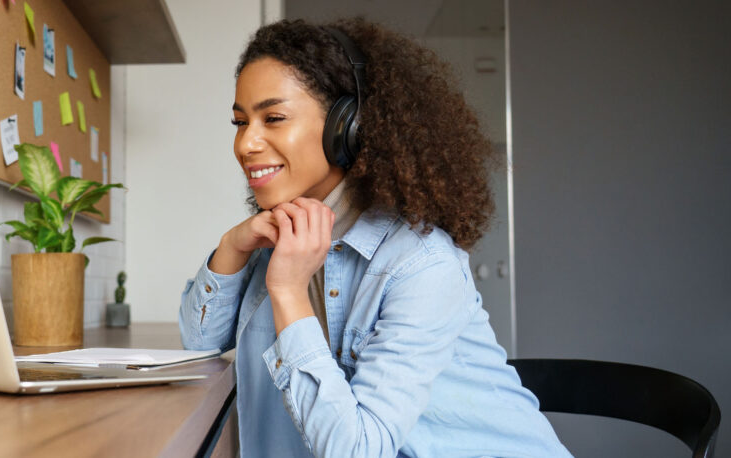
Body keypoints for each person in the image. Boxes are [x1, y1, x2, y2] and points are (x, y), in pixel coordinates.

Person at [178, 18, 571, 457]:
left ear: (347, 126)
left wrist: (288, 291)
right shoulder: (280, 236)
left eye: (273, 118)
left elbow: (358, 450)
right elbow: (200, 345)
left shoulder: (421, 264)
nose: (246, 143)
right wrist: (231, 247)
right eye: (239, 121)